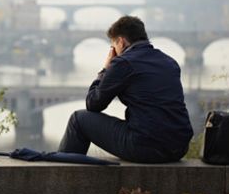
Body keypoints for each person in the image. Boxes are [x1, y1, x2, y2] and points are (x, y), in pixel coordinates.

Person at [58, 15, 193, 163]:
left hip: (146, 146)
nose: (114, 50)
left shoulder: (124, 63)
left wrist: (105, 69)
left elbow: (93, 104)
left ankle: (62, 174)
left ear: (121, 42)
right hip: (179, 147)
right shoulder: (170, 62)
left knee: (78, 119)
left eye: (113, 46)